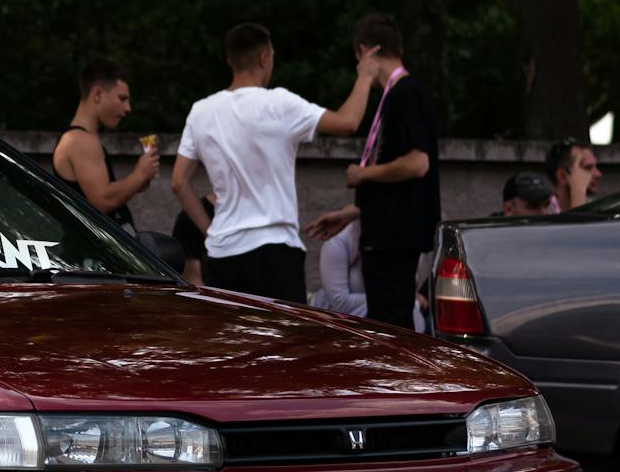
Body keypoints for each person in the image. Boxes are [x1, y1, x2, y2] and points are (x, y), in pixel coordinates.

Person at [171, 22, 377, 303]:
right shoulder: (279, 104)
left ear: (230, 60)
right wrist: (365, 77)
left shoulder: (201, 111)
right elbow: (348, 122)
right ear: (264, 58)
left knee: (234, 343)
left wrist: (211, 231)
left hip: (222, 254)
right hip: (275, 252)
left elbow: (179, 182)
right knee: (284, 345)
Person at [304, 15, 439, 329]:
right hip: (388, 238)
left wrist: (364, 175)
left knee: (390, 329)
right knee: (388, 326)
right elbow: (398, 183)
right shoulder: (400, 95)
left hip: (393, 241)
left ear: (365, 52)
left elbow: (417, 163)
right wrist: (352, 212)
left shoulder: (404, 93)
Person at [52, 59, 159, 231]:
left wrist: (135, 183)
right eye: (122, 99)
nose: (128, 108)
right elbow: (103, 200)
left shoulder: (83, 138)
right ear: (97, 95)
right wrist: (140, 174)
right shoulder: (80, 141)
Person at [310, 220, 427, 331]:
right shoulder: (339, 241)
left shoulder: (410, 242)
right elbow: (340, 303)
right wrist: (403, 299)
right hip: (336, 325)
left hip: (388, 323)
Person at [547, 135, 602, 211]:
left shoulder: (597, 209)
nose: (598, 174)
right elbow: (579, 222)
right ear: (562, 176)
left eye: (595, 167)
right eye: (588, 167)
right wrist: (578, 191)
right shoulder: (542, 212)